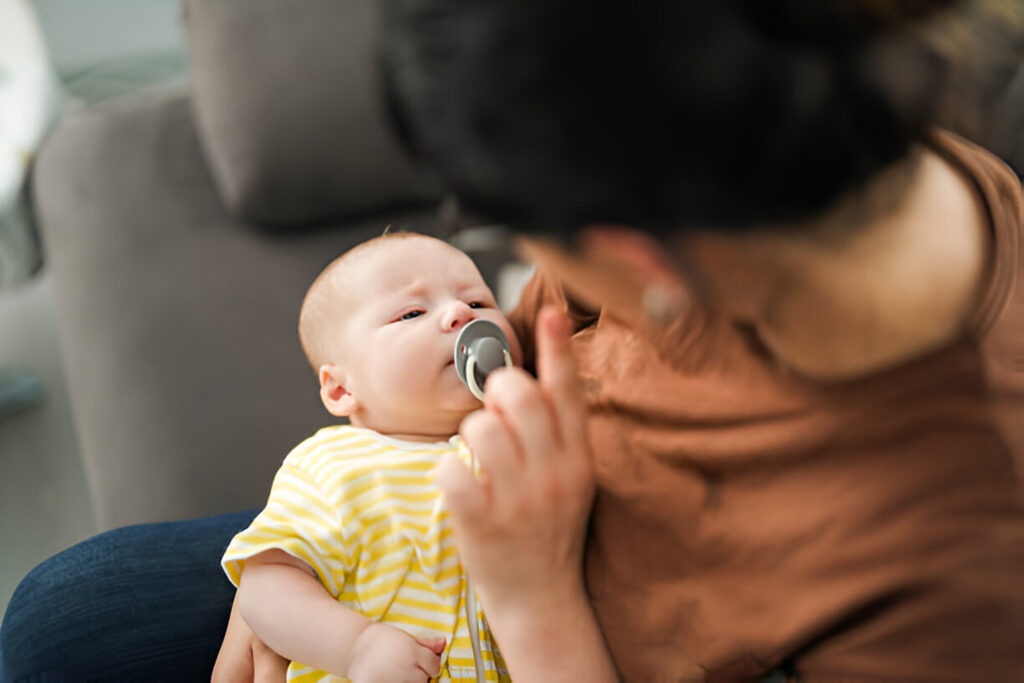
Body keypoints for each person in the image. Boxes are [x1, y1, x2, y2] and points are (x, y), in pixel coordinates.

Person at [4, 1, 1024, 681]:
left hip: (536, 627)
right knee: (72, 614)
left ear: (647, 258)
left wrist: (528, 593)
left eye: (510, 240)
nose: (478, 306)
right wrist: (296, 588)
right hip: (428, 543)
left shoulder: (950, 583)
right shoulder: (769, 137)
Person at [219, 231, 520, 682]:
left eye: (478, 303)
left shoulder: (520, 440)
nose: (460, 313)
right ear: (342, 389)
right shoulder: (333, 465)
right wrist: (357, 647)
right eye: (412, 312)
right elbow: (264, 587)